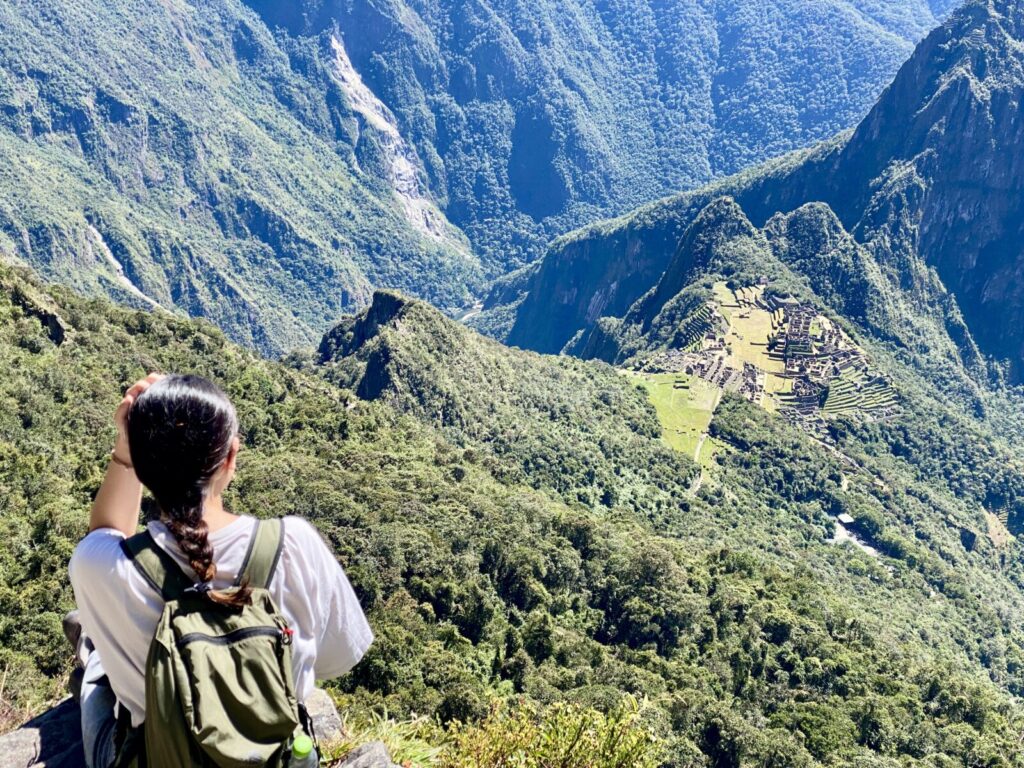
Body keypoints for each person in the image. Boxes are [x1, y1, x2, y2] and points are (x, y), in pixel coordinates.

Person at [68, 372, 374, 768]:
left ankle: (90, 648)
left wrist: (124, 453)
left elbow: (106, 530)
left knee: (97, 673)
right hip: (274, 757)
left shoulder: (102, 568)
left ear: (141, 468)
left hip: (161, 757)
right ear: (230, 458)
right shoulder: (294, 544)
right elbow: (333, 659)